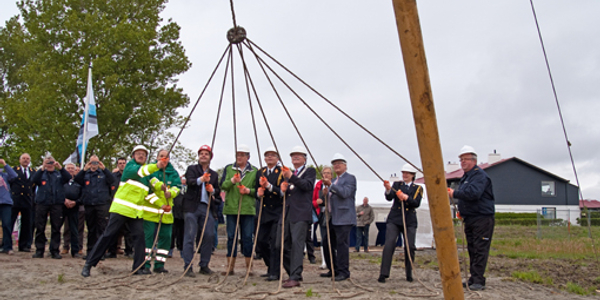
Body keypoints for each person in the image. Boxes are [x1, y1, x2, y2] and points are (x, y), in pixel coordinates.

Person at [81, 145, 168, 277]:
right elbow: (142, 171)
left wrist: (161, 204)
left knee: (140, 239)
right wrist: (157, 165)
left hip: (136, 213)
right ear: (133, 156)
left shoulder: (146, 174)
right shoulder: (131, 168)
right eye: (138, 153)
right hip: (121, 209)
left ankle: (138, 267)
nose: (141, 156)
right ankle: (89, 264)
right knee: (107, 236)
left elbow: (150, 191)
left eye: (143, 154)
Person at [447, 145, 495, 291]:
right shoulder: (467, 177)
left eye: (466, 159)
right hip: (471, 218)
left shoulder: (480, 176)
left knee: (480, 249)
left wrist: (454, 194)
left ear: (474, 160)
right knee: (473, 249)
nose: (463, 162)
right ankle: (474, 278)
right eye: (461, 159)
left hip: (482, 218)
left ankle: (478, 280)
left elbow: (473, 193)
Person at [278, 146, 316, 288]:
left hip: (301, 214)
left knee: (297, 244)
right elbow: (290, 193)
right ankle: (294, 273)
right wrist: (284, 190)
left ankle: (294, 276)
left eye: (298, 156)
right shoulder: (291, 173)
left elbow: (307, 185)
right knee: (280, 244)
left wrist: (291, 177)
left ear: (305, 159)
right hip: (287, 213)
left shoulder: (309, 171)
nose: (295, 157)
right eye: (293, 156)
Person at [181, 145, 222, 277]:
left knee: (209, 235)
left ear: (210, 157)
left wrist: (213, 190)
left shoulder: (214, 174)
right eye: (201, 153)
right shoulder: (192, 169)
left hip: (206, 206)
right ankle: (188, 266)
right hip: (192, 206)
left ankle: (204, 265)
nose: (203, 155)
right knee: (190, 235)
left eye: (206, 153)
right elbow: (190, 181)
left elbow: (218, 191)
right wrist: (201, 180)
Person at [379, 164, 422, 283]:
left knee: (410, 247)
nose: (405, 175)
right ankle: (384, 273)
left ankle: (409, 274)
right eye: (403, 172)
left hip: (409, 221)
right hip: (395, 219)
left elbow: (416, 203)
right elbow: (389, 197)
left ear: (413, 175)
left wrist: (406, 198)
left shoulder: (418, 188)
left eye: (408, 173)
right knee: (389, 244)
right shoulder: (397, 185)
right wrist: (388, 189)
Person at [220, 144, 257, 276]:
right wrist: (232, 181)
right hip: (231, 209)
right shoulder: (229, 168)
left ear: (248, 157)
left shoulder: (254, 171)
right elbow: (222, 186)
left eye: (242, 155)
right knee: (231, 237)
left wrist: (248, 191)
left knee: (247, 238)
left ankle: (249, 267)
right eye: (238, 155)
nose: (239, 157)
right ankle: (230, 267)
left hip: (247, 209)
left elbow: (258, 191)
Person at [142, 149, 181, 273]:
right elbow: (148, 190)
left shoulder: (173, 172)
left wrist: (172, 193)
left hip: (166, 213)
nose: (164, 158)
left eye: (166, 156)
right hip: (150, 212)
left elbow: (177, 186)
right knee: (148, 239)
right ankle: (145, 265)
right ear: (157, 157)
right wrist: (160, 203)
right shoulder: (150, 170)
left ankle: (160, 264)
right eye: (161, 156)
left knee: (165, 238)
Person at [320, 153, 356, 282]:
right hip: (333, 217)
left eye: (339, 163)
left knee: (341, 245)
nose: (336, 165)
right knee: (326, 243)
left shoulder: (350, 178)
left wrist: (331, 186)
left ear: (345, 166)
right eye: (334, 164)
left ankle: (343, 271)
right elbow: (331, 197)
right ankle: (333, 269)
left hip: (344, 217)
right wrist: (325, 194)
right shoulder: (334, 181)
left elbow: (345, 193)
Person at [74, 155, 115, 259]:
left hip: (102, 205)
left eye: (96, 162)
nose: (94, 165)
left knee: (101, 229)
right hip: (89, 205)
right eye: (92, 162)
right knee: (91, 229)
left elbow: (112, 180)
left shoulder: (103, 174)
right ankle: (90, 252)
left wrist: (104, 169)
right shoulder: (85, 174)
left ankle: (100, 252)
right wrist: (84, 169)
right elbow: (77, 180)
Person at [31, 156, 72, 259]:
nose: (49, 164)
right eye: (47, 162)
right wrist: (42, 167)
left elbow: (68, 178)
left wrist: (60, 167)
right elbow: (34, 179)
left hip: (56, 204)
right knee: (40, 227)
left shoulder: (58, 175)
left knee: (56, 228)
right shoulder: (41, 174)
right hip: (42, 203)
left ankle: (54, 250)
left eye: (51, 162)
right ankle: (39, 250)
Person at [255, 147, 284, 281]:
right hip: (264, 211)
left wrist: (269, 186)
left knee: (274, 243)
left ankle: (275, 271)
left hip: (278, 210)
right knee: (260, 241)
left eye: (273, 155)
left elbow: (283, 192)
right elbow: (256, 189)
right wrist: (258, 193)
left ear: (277, 158)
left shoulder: (282, 172)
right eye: (267, 156)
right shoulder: (260, 172)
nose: (270, 157)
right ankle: (269, 266)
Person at [10, 153, 35, 252]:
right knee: (10, 222)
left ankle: (24, 245)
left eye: (27, 159)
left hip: (27, 200)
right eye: (24, 158)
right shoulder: (14, 170)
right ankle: (6, 243)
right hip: (15, 199)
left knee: (26, 223)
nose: (26, 160)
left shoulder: (33, 171)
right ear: (20, 160)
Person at [109, 157, 132, 258]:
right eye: (120, 163)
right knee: (114, 230)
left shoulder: (131, 177)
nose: (122, 165)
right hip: (116, 206)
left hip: (128, 205)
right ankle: (112, 251)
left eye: (124, 163)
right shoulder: (113, 176)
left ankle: (129, 251)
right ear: (117, 165)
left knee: (128, 230)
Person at [62, 163, 83, 258]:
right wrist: (64, 200)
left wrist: (75, 202)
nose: (70, 170)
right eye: (68, 168)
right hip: (62, 207)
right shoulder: (61, 181)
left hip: (74, 208)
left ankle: (75, 251)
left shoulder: (79, 182)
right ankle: (55, 249)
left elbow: (82, 195)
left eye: (72, 168)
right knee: (57, 228)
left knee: (75, 229)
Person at [313, 166, 332, 269]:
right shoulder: (318, 185)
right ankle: (325, 261)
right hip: (322, 214)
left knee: (333, 238)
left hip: (333, 215)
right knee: (323, 238)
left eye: (328, 173)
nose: (326, 175)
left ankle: (334, 260)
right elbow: (312, 200)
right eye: (324, 173)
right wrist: (317, 202)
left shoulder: (334, 184)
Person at [1, 158, 18, 254]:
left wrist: (5, 164)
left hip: (5, 203)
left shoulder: (4, 175)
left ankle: (7, 247)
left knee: (7, 225)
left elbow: (14, 175)